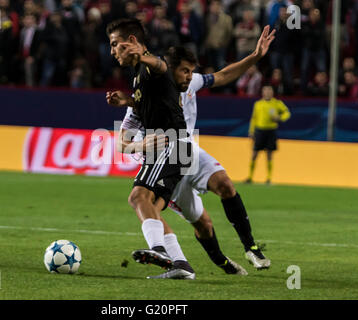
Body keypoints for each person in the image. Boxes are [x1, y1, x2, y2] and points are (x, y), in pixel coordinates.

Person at [108, 26, 276, 278]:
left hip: (182, 149)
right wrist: (136, 129)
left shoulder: (186, 80)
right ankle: (200, 264)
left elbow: (223, 75)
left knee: (224, 185)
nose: (189, 76)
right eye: (184, 71)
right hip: (165, 157)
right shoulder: (141, 96)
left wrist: (254, 57)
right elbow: (121, 141)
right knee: (200, 222)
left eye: (190, 71)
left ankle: (250, 248)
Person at [106, 18, 195, 279]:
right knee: (150, 207)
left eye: (116, 45)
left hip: (169, 142)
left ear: (132, 42)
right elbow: (155, 100)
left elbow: (161, 66)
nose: (112, 51)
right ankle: (181, 265)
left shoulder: (150, 68)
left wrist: (143, 57)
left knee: (137, 197)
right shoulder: (138, 80)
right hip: (178, 147)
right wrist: (131, 102)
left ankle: (159, 250)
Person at [246, 85, 291, 184]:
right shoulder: (258, 104)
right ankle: (250, 177)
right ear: (262, 93)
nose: (267, 92)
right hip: (259, 130)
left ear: (272, 92)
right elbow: (254, 118)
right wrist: (251, 131)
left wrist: (279, 118)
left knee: (269, 154)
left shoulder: (277, 103)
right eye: (265, 91)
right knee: (254, 154)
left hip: (271, 131)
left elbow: (287, 113)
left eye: (269, 91)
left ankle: (269, 178)